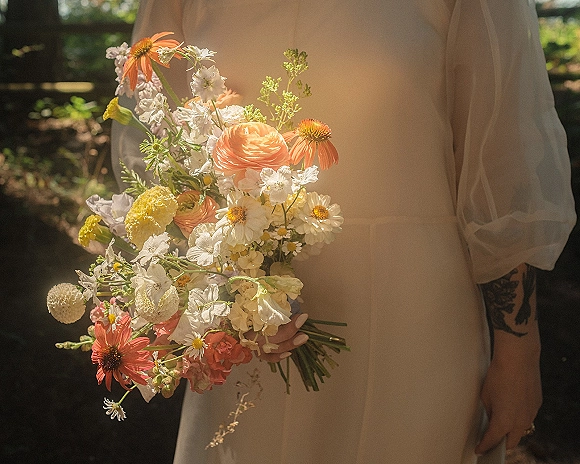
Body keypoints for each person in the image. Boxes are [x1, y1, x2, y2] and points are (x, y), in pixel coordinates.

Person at [111, 0, 577, 462]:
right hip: (253, 328)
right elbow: (158, 146)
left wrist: (518, 350)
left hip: (416, 319)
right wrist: (224, 297)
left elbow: (501, 155)